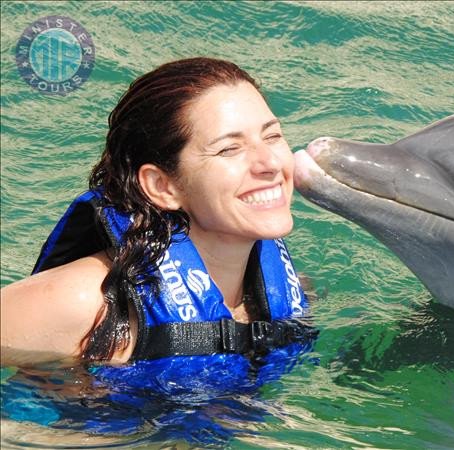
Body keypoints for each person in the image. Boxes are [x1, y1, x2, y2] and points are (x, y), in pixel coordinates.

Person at [0, 57, 313, 368]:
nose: (270, 164)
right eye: (229, 149)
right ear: (162, 186)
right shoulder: (84, 301)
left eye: (272, 136)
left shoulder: (289, 292)